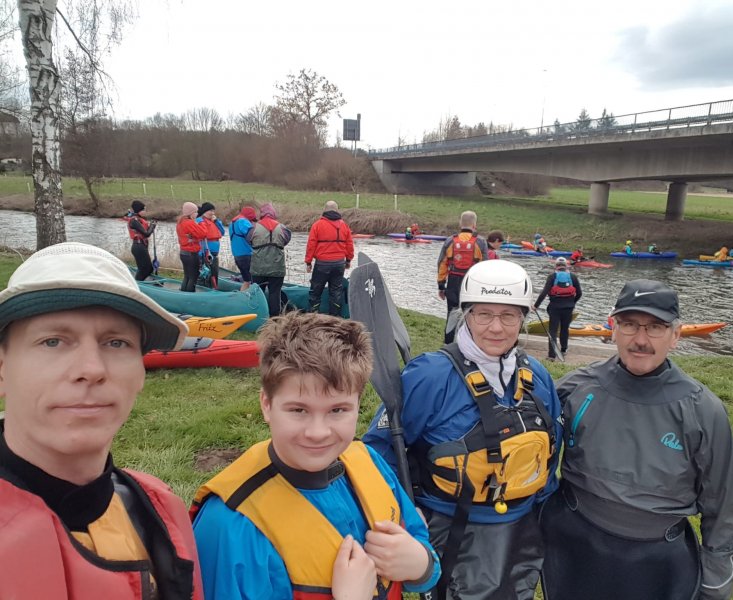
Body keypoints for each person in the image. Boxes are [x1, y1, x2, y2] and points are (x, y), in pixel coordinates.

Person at [0, 242, 202, 598]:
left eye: (116, 343)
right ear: (3, 368)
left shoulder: (162, 513)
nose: (91, 369)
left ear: (140, 373)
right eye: (52, 342)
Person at [191, 311, 440, 599]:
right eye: (299, 410)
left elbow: (419, 545)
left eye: (338, 410)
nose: (318, 433)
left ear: (357, 405)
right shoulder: (230, 525)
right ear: (267, 405)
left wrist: (422, 565)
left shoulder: (369, 461)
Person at [364, 260, 562, 599]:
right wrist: (401, 514)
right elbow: (378, 453)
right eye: (484, 314)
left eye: (508, 316)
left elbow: (549, 455)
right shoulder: (429, 376)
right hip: (453, 530)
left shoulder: (538, 377)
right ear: (465, 316)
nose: (496, 328)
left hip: (522, 528)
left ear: (523, 318)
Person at [541, 279, 733, 600]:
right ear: (613, 329)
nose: (640, 340)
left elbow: (725, 507)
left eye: (655, 327)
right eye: (629, 325)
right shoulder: (575, 388)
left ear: (675, 336)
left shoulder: (702, 411)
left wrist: (715, 583)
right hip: (574, 545)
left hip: (656, 560)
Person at [437, 210, 489, 343]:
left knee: (452, 314)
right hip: (472, 283)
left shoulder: (450, 241)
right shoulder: (480, 242)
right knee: (471, 314)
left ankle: (448, 344)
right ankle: (469, 343)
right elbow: (485, 266)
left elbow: (442, 264)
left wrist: (441, 286)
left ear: (460, 224)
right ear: (474, 225)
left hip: (453, 282)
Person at [304, 200, 354, 317]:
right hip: (339, 264)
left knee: (316, 291)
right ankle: (334, 317)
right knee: (336, 292)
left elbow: (311, 245)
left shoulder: (317, 225)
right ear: (337, 210)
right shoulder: (344, 225)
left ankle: (313, 316)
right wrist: (348, 260)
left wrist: (308, 262)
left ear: (324, 210)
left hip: (322, 264)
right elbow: (349, 245)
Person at [533, 256, 582, 360]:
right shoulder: (573, 276)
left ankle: (552, 355)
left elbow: (544, 293)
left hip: (555, 308)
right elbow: (579, 293)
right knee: (564, 329)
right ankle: (563, 350)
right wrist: (572, 302)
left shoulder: (552, 276)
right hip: (568, 308)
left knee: (553, 331)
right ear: (566, 266)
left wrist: (536, 306)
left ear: (556, 266)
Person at [251, 202, 292, 319]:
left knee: (258, 293)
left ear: (262, 214)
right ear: (274, 214)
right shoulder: (283, 228)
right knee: (275, 293)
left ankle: (258, 317)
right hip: (277, 267)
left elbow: (249, 239)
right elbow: (286, 239)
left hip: (258, 267)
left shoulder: (254, 227)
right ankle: (274, 318)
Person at [177, 201, 208, 292]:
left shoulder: (181, 222)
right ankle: (190, 293)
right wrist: (202, 223)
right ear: (190, 213)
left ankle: (183, 292)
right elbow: (203, 234)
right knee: (193, 276)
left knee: (187, 276)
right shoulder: (189, 223)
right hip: (191, 253)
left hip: (184, 252)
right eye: (195, 212)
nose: (197, 214)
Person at [196, 202, 225, 289]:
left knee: (214, 272)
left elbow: (222, 232)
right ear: (205, 212)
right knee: (207, 272)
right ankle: (204, 287)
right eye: (210, 211)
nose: (212, 213)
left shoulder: (215, 222)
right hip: (207, 251)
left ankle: (214, 287)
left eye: (213, 211)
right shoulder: (200, 221)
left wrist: (216, 222)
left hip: (215, 252)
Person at [229, 205, 258, 292]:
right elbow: (252, 235)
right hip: (246, 254)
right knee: (252, 281)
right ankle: (252, 297)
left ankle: (242, 295)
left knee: (246, 281)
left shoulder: (233, 222)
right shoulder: (243, 221)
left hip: (237, 255)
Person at [125, 200, 156, 280]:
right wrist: (152, 226)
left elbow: (146, 231)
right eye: (143, 210)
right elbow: (146, 234)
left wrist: (152, 225)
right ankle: (137, 283)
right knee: (147, 269)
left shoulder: (139, 219)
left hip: (141, 246)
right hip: (138, 247)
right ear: (139, 210)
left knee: (144, 269)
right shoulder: (134, 221)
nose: (145, 211)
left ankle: (137, 282)